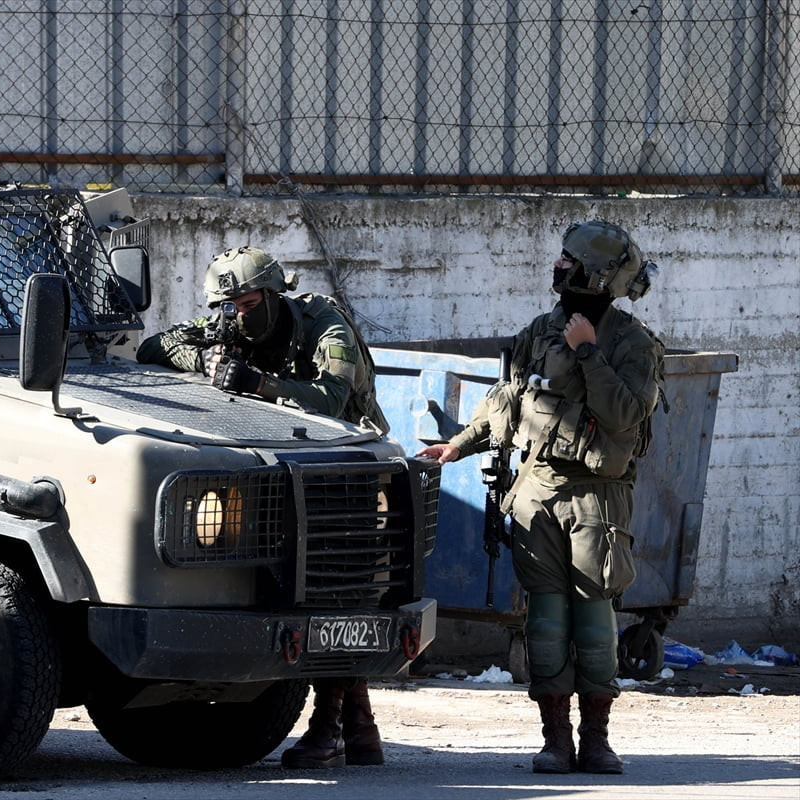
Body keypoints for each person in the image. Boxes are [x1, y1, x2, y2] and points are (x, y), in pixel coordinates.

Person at [418, 220, 664, 775]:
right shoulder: (540, 330)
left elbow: (626, 413)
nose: (559, 267)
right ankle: (555, 738)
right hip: (538, 490)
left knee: (595, 618)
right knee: (547, 620)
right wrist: (457, 445)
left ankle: (596, 739)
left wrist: (588, 354)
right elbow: (506, 399)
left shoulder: (632, 343)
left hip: (597, 499)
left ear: (597, 276)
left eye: (569, 261)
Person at [137, 245, 388, 769]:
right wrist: (204, 359)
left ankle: (329, 727)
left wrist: (258, 384)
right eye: (226, 306)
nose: (235, 315)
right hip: (283, 473)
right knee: (306, 595)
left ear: (274, 296)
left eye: (247, 303)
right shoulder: (228, 325)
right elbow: (152, 347)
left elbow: (331, 400)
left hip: (350, 468)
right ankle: (359, 730)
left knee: (339, 596)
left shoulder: (325, 325)